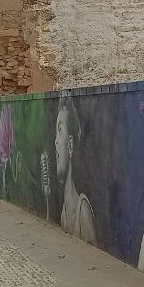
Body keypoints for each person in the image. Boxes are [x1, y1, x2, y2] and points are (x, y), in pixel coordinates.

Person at [53, 95, 97, 245]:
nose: (55, 141)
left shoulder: (82, 211)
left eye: (60, 130)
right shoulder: (64, 213)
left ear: (70, 145)